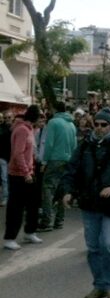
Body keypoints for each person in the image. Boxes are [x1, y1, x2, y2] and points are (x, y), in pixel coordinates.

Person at [60, 107, 110, 298]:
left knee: (108, 245)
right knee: (93, 247)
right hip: (89, 202)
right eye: (97, 124)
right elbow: (72, 169)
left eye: (104, 125)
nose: (100, 128)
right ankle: (100, 285)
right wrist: (67, 191)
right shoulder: (85, 145)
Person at [3, 105, 43, 250]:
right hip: (18, 174)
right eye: (40, 117)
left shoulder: (29, 129)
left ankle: (30, 231)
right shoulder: (21, 130)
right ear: (35, 117)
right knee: (16, 207)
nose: (42, 120)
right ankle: (9, 237)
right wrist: (26, 172)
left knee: (33, 204)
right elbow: (18, 153)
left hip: (28, 172)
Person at [38, 101, 77, 232]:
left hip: (55, 159)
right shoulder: (71, 124)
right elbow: (74, 145)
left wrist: (44, 161)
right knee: (62, 190)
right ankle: (59, 220)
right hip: (68, 159)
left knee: (48, 188)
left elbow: (49, 144)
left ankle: (46, 220)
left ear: (54, 109)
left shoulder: (53, 123)